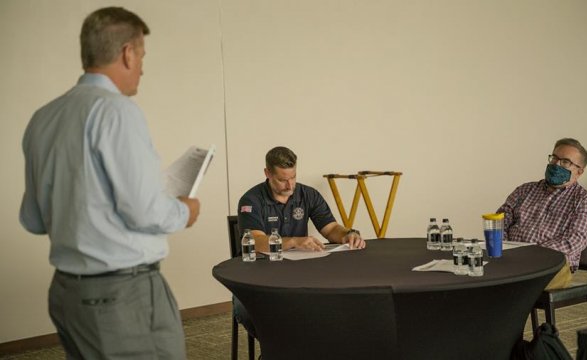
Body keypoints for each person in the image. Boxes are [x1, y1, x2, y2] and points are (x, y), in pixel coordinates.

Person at [19, 7, 200, 359]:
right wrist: (184, 210)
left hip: (67, 294)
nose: (143, 67)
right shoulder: (117, 111)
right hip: (122, 294)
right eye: (142, 55)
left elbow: (33, 219)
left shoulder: (43, 118)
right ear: (128, 53)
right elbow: (145, 211)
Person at [496, 138, 587, 289]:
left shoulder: (583, 201)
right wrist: (504, 248)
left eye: (565, 162)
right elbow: (499, 222)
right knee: (478, 277)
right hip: (511, 259)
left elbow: (573, 241)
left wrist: (531, 254)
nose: (556, 164)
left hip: (551, 266)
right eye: (554, 158)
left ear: (579, 171)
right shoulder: (524, 190)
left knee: (510, 287)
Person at [238, 146, 366, 252]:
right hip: (264, 268)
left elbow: (331, 229)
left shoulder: (309, 195)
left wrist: (347, 234)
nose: (290, 185)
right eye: (282, 180)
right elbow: (255, 241)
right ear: (267, 174)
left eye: (293, 177)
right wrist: (294, 242)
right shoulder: (251, 200)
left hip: (300, 265)